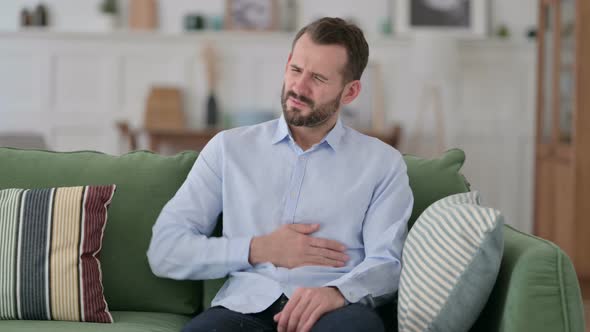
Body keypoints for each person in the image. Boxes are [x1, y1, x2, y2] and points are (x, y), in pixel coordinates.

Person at [147, 17, 414, 332]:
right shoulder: (228, 149)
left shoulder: (383, 164)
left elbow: (388, 263)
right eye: (296, 70)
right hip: (242, 311)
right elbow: (165, 250)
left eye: (317, 77)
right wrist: (258, 249)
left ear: (350, 92)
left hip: (334, 313)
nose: (299, 87)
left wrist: (338, 292)